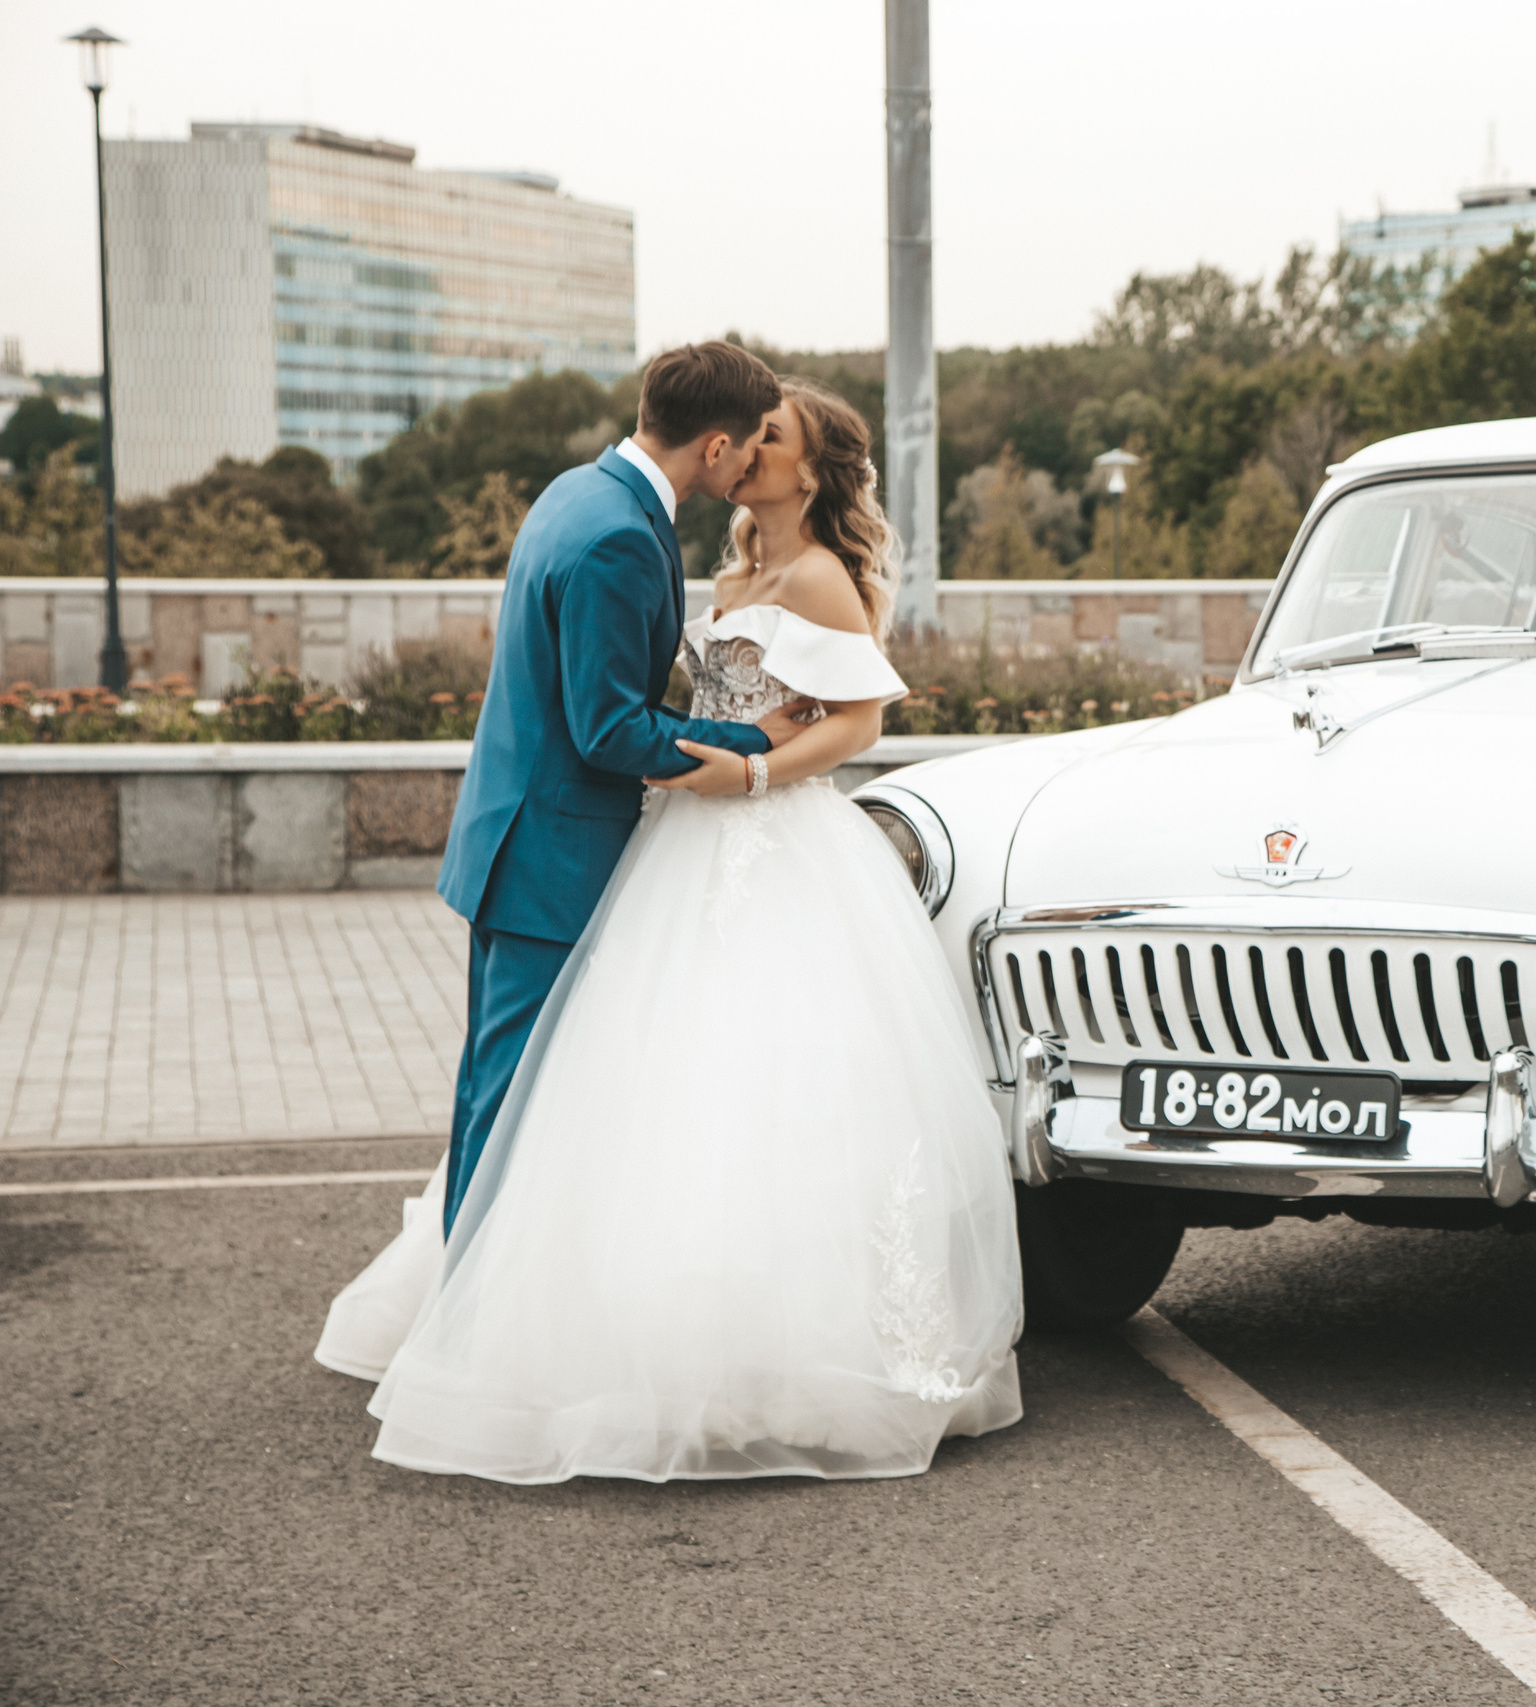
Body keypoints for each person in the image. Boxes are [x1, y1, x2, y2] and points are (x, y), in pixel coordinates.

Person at [316, 380, 1022, 1483]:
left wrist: (750, 768)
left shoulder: (823, 578)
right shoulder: (726, 566)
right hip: (672, 845)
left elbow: (858, 722)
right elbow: (638, 706)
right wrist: (724, 740)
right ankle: (522, 1312)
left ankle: (759, 1346)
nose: (747, 458)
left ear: (811, 470)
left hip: (770, 842)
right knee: (619, 1084)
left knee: (756, 1087)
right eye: (746, 438)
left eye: (773, 442)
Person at [432, 342, 810, 1234]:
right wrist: (751, 737)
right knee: (514, 1095)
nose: (757, 460)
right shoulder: (619, 539)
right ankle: (463, 1326)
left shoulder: (579, 490)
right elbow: (608, 732)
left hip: (515, 838)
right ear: (713, 447)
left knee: (501, 1086)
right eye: (751, 442)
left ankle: (470, 1302)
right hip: (548, 859)